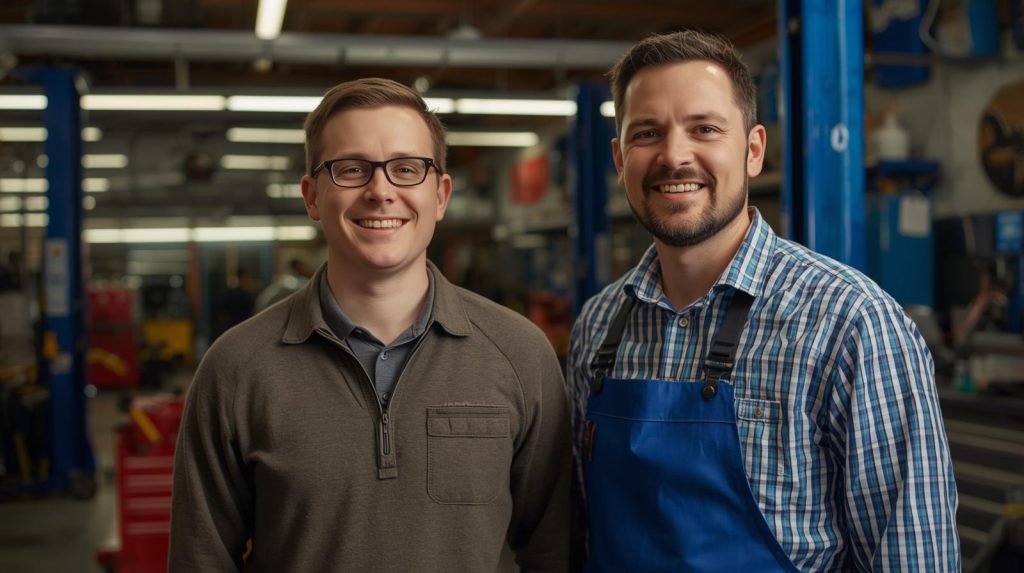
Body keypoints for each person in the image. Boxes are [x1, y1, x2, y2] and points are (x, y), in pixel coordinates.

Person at [567, 31, 959, 572]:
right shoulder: (598, 325)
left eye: (704, 129)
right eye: (647, 133)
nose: (674, 155)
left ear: (752, 150)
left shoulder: (851, 324)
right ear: (619, 158)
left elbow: (915, 560)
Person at [170, 78, 570, 572]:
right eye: (352, 170)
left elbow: (554, 552)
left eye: (407, 169)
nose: (381, 192)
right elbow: (200, 559)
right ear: (312, 196)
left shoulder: (520, 355)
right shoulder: (236, 369)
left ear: (440, 195)